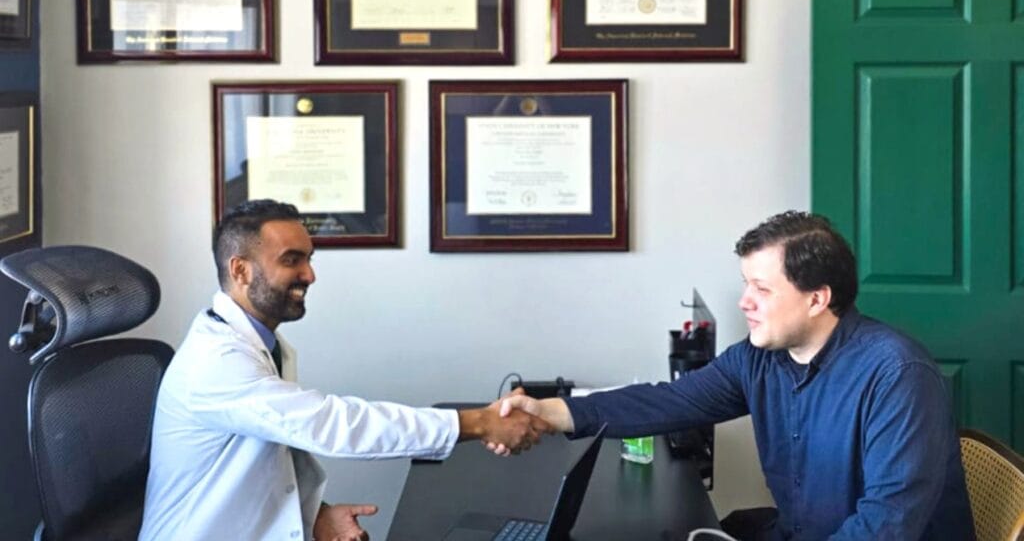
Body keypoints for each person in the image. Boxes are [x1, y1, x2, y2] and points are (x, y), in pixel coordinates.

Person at [497, 211, 975, 540]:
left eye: (761, 288)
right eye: (746, 283)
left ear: (817, 299)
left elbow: (885, 527)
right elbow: (666, 401)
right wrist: (548, 412)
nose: (744, 301)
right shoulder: (757, 359)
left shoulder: (896, 375)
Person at [140, 199, 549, 541]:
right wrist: (478, 422)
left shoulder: (264, 344)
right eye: (292, 260)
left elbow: (272, 456)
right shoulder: (216, 362)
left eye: (309, 258)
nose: (310, 274)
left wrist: (318, 516)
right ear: (241, 270)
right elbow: (334, 424)